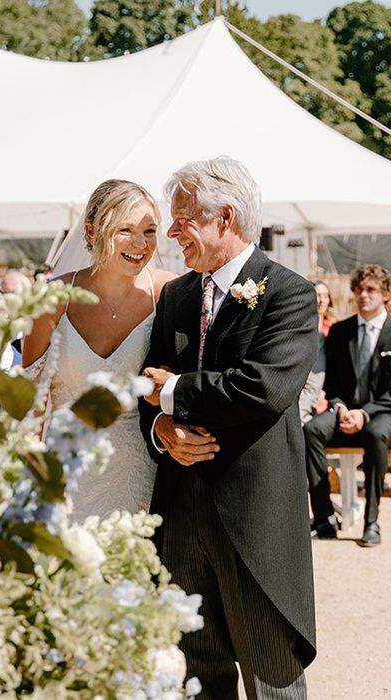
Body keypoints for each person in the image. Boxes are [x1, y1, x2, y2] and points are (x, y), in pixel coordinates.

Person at [140, 157, 318, 698]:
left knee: (271, 680)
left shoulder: (289, 293)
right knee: (196, 674)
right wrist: (163, 431)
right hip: (181, 518)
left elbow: (264, 388)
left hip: (254, 525)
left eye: (182, 219)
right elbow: (145, 392)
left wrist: (171, 392)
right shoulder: (175, 296)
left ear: (226, 217)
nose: (170, 233)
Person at [23, 179, 175, 520]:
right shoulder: (52, 299)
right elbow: (31, 403)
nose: (140, 244)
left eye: (149, 231)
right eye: (125, 230)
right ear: (91, 233)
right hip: (66, 475)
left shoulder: (169, 292)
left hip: (143, 475)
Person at [305, 264, 391, 546]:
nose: (363, 295)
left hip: (382, 413)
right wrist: (341, 407)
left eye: (371, 290)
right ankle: (324, 518)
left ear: (385, 293)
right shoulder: (340, 332)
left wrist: (363, 414)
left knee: (375, 434)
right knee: (312, 430)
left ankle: (371, 522)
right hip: (343, 410)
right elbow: (332, 385)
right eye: (359, 289)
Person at [298, 280, 334, 423]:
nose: (321, 300)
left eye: (325, 296)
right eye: (317, 295)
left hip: (322, 388)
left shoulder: (334, 329)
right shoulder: (301, 327)